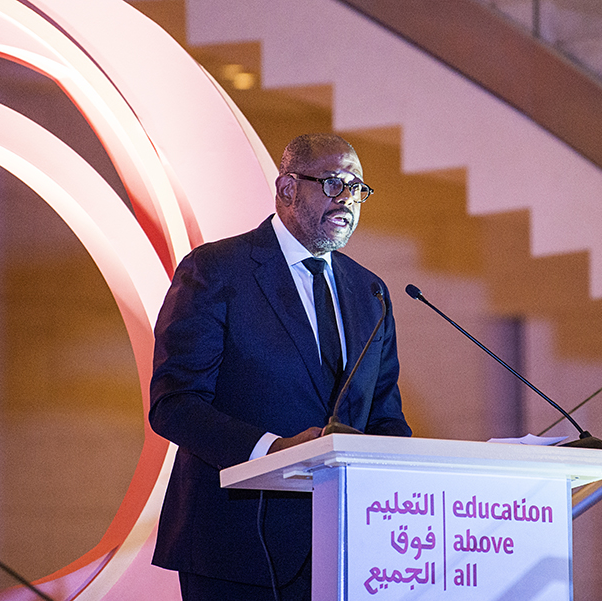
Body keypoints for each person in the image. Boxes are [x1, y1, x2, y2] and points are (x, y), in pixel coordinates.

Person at [149, 133, 412, 601]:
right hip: (235, 546)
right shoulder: (216, 269)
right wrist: (272, 450)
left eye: (358, 189)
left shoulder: (369, 291)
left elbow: (385, 418)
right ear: (287, 188)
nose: (348, 200)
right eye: (334, 184)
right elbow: (175, 404)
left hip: (347, 549)